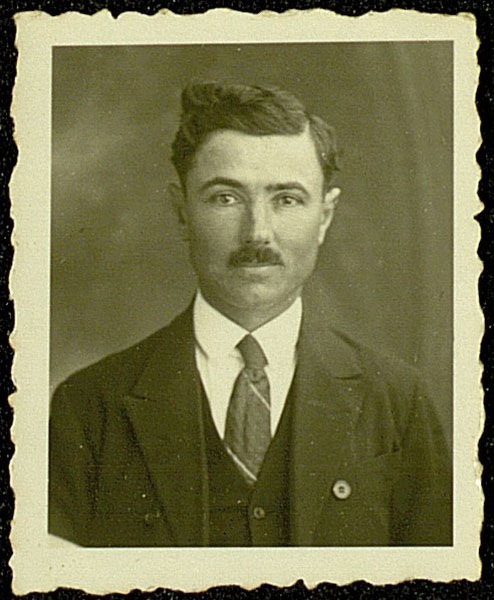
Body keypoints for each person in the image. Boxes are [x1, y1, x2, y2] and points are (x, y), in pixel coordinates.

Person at [49, 82, 452, 547]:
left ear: (324, 216)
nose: (257, 232)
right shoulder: (89, 408)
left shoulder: (398, 403)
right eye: (226, 198)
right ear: (181, 212)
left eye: (287, 199)